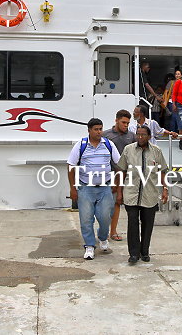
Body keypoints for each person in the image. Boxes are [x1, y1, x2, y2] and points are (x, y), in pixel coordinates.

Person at [67, 118, 121, 260]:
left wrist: (117, 182)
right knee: (86, 219)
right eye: (96, 129)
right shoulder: (81, 145)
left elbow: (120, 164)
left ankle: (103, 238)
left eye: (100, 129)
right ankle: (89, 246)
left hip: (105, 188)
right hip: (85, 188)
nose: (99, 132)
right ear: (89, 130)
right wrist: (73, 188)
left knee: (105, 217)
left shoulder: (108, 145)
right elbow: (71, 166)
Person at [116, 125, 169, 264]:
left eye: (143, 135)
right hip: (131, 193)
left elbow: (162, 171)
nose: (140, 137)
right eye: (138, 134)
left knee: (148, 224)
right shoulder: (128, 150)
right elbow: (121, 171)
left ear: (149, 136)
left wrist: (165, 189)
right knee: (132, 223)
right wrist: (119, 192)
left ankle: (144, 251)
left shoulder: (156, 151)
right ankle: (133, 254)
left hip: (150, 194)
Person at [102, 110, 136, 242]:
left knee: (117, 203)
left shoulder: (131, 136)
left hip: (126, 175)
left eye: (128, 123)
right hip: (108, 175)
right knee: (105, 204)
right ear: (116, 120)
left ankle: (113, 231)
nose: (126, 125)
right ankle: (104, 231)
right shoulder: (106, 135)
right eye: (123, 122)